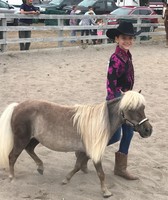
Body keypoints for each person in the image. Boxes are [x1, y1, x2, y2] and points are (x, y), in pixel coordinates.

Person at [105, 21, 142, 180]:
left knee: (128, 132)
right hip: (115, 101)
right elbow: (110, 83)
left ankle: (121, 168)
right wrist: (118, 101)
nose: (128, 41)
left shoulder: (127, 55)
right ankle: (87, 148)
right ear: (117, 39)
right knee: (114, 136)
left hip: (125, 98)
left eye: (130, 38)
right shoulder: (115, 58)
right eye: (124, 38)